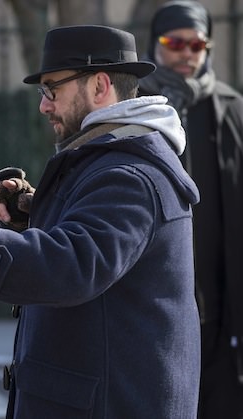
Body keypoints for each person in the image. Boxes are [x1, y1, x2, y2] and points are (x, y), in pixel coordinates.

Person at [0, 25, 201, 418]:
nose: (44, 105)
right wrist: (36, 215)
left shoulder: (128, 175)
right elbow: (92, 245)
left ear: (100, 86)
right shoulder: (114, 161)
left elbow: (74, 265)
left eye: (53, 89)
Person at [138, 2, 243, 418]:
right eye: (174, 42)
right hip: (155, 304)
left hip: (219, 308)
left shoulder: (231, 108)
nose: (187, 52)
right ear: (155, 44)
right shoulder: (138, 108)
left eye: (197, 43)